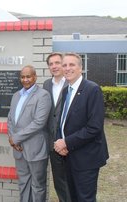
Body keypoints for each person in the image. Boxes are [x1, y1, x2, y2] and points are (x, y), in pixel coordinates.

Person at [54, 53, 109, 202]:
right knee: (72, 197)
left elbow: (94, 127)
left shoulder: (92, 89)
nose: (67, 68)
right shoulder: (66, 90)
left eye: (72, 65)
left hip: (86, 158)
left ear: (80, 68)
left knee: (85, 198)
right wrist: (60, 141)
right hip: (69, 156)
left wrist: (66, 142)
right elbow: (62, 120)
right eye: (64, 65)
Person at [7, 65, 51, 202]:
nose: (25, 80)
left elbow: (39, 122)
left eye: (28, 76)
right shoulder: (16, 95)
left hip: (35, 149)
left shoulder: (43, 95)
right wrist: (13, 139)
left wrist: (16, 138)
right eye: (23, 77)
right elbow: (10, 119)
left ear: (35, 77)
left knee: (38, 185)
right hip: (18, 149)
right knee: (23, 183)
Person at [43, 53, 71, 202]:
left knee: (72, 182)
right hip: (52, 142)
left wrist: (67, 141)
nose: (54, 66)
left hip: (69, 143)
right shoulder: (47, 84)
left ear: (63, 64)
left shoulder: (72, 83)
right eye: (51, 64)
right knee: (59, 182)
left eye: (57, 63)